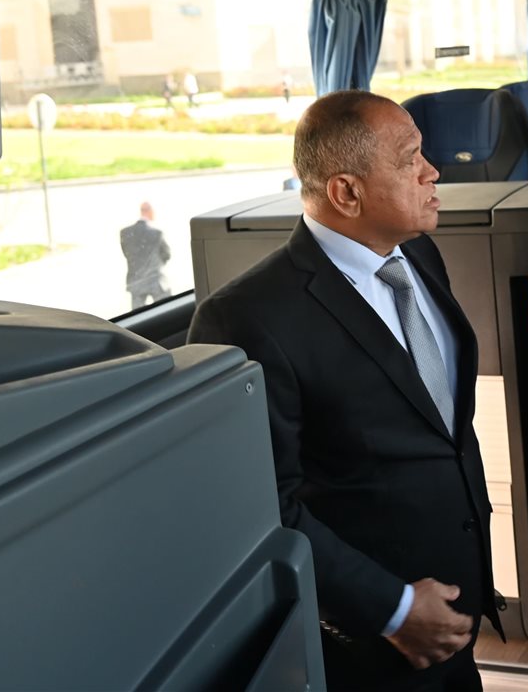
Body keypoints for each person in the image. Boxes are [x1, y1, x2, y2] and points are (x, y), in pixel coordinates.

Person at [189, 91, 499, 692]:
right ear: (347, 193)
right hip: (369, 645)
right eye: (410, 158)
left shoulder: (419, 254)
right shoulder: (248, 318)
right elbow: (262, 506)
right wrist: (393, 610)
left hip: (455, 612)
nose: (433, 171)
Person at [119, 201, 171, 310]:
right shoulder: (157, 233)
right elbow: (167, 254)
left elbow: (127, 254)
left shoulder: (125, 233)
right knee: (166, 309)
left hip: (135, 281)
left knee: (136, 314)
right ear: (149, 211)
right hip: (155, 280)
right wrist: (156, 265)